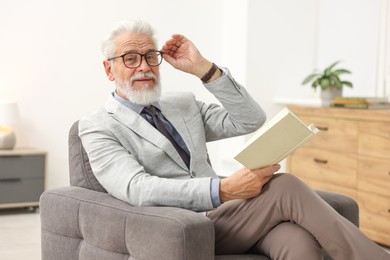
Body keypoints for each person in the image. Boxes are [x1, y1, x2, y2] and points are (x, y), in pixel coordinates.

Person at [79, 19, 389, 260]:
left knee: (296, 241)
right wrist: (222, 189)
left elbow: (249, 119)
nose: (144, 66)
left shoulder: (182, 104)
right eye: (131, 59)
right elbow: (137, 188)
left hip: (230, 216)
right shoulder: (98, 126)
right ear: (109, 69)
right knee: (284, 185)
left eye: (150, 56)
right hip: (179, 225)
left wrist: (204, 69)